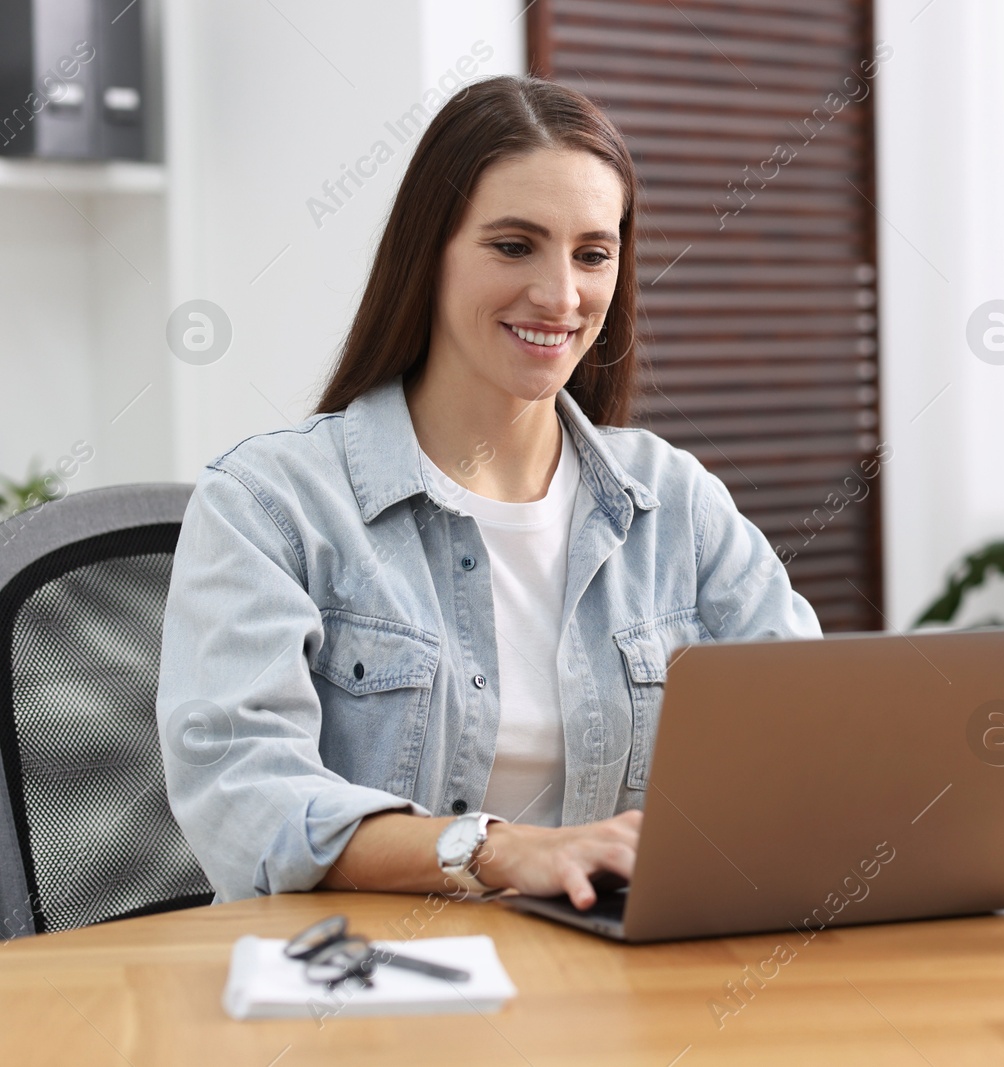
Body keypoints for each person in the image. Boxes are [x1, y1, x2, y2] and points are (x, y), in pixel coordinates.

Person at [156, 75, 820, 910]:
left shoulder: (673, 500)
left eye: (592, 253)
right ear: (427, 253)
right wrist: (498, 851)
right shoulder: (268, 504)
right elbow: (247, 800)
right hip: (360, 1000)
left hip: (611, 989)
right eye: (514, 246)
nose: (560, 295)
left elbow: (812, 729)